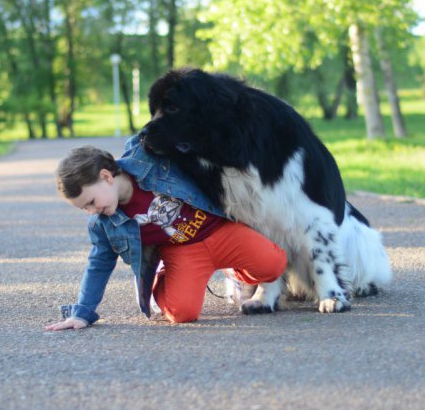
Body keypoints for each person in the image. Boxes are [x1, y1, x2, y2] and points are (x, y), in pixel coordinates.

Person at [45, 136, 287, 330]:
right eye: (84, 208)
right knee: (182, 313)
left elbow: (177, 129)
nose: (90, 211)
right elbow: (98, 264)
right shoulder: (104, 224)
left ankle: (233, 274)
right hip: (183, 251)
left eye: (90, 201)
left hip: (219, 230)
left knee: (273, 264)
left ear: (106, 176)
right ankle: (162, 279)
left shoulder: (148, 160)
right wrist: (83, 313)